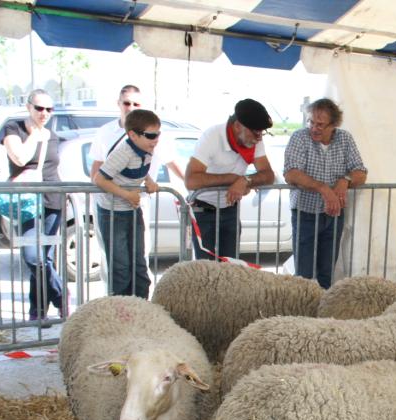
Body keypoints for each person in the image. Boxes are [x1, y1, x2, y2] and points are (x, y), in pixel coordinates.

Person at [283, 98, 367, 289]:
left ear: (334, 125)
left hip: (333, 216)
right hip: (305, 213)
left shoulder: (345, 139)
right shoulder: (299, 137)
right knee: (303, 274)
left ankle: (322, 313)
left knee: (326, 271)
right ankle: (300, 314)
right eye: (311, 122)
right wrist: (323, 188)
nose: (314, 128)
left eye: (320, 124)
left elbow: (361, 173)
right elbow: (291, 173)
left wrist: (345, 180)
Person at [2, 88, 65, 322]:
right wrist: (35, 136)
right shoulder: (14, 128)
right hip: (28, 201)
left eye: (49, 109)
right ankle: (60, 297)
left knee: (45, 258)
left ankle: (37, 311)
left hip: (52, 200)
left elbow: (54, 166)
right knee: (33, 257)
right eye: (39, 108)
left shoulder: (54, 135)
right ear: (28, 106)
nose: (44, 113)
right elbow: (19, 158)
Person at [185, 98, 275, 260]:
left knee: (231, 270)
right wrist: (232, 179)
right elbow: (191, 180)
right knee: (205, 272)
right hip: (202, 212)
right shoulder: (212, 136)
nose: (259, 137)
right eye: (255, 132)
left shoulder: (255, 140)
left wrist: (244, 180)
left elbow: (268, 174)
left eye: (261, 132)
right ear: (238, 126)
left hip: (230, 211)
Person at [91, 109, 162, 299]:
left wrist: (148, 180)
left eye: (158, 134)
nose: (155, 139)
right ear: (132, 135)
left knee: (139, 263)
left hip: (132, 210)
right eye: (151, 135)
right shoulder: (123, 152)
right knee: (121, 267)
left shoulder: (146, 151)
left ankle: (141, 307)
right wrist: (126, 195)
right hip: (112, 213)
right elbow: (100, 179)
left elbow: (137, 169)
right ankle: (121, 314)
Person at [88, 84, 183, 184]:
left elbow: (172, 163)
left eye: (136, 104)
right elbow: (98, 163)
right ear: (118, 103)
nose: (131, 108)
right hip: (110, 197)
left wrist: (193, 189)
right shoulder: (104, 131)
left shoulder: (155, 133)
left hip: (139, 197)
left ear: (142, 105)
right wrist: (95, 191)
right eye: (127, 103)